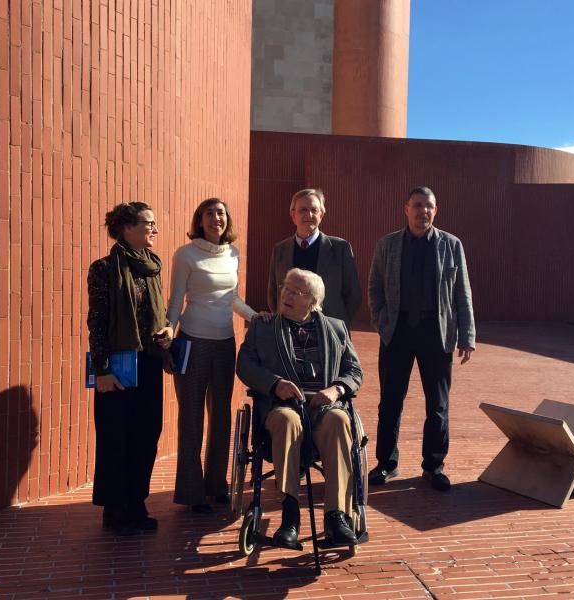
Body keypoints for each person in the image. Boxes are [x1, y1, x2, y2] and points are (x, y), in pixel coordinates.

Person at [237, 268, 363, 548]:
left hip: (323, 408)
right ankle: (290, 516)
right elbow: (244, 365)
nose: (286, 294)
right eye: (285, 287)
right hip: (283, 406)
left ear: (313, 300)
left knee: (341, 421)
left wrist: (337, 389)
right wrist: (274, 384)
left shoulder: (336, 327)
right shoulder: (263, 326)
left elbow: (354, 370)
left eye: (296, 291)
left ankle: (336, 516)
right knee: (286, 420)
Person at [367, 186, 476, 491]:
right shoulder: (387, 244)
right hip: (397, 333)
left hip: (436, 334)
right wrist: (381, 320)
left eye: (428, 206)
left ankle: (434, 466)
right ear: (406, 209)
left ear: (435, 211)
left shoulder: (451, 245)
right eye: (417, 205)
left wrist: (467, 335)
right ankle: (386, 464)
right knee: (390, 402)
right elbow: (374, 286)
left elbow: (462, 293)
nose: (422, 211)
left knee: (438, 404)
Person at [168, 198, 268, 514]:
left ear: (227, 220)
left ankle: (216, 484)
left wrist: (256, 316)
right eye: (209, 213)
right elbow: (175, 302)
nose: (216, 218)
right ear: (199, 220)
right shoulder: (185, 254)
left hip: (225, 343)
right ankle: (191, 490)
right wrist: (168, 333)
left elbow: (232, 297)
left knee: (222, 417)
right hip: (192, 342)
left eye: (221, 213)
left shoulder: (232, 253)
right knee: (192, 417)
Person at [87, 201, 173, 535]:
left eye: (154, 223)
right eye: (147, 223)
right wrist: (102, 370)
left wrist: (167, 330)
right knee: (115, 436)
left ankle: (137, 502)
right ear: (126, 227)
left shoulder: (152, 267)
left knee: (147, 433)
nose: (153, 229)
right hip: (118, 365)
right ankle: (115, 509)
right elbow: (97, 322)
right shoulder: (104, 268)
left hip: (149, 362)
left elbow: (158, 313)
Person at [267, 189, 362, 328]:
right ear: (293, 215)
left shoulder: (340, 248)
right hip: (289, 330)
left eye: (314, 210)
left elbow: (353, 293)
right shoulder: (280, 250)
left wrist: (339, 323)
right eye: (303, 210)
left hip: (329, 329)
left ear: (321, 215)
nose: (309, 215)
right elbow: (273, 294)